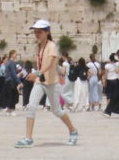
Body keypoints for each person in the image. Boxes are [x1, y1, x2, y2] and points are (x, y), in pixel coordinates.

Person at [14, 20, 78, 148]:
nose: (37, 34)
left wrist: (37, 73)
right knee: (31, 106)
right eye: (36, 31)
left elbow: (49, 64)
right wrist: (38, 76)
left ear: (47, 32)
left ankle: (73, 130)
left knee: (56, 111)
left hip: (52, 83)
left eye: (40, 31)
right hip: (40, 82)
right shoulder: (37, 47)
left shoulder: (52, 46)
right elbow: (41, 64)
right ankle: (28, 138)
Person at [2, 51, 20, 115]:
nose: (16, 55)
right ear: (11, 55)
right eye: (15, 54)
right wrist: (19, 82)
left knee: (12, 95)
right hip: (11, 81)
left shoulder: (8, 62)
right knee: (12, 96)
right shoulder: (12, 62)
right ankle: (9, 110)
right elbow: (14, 73)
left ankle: (9, 109)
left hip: (8, 81)